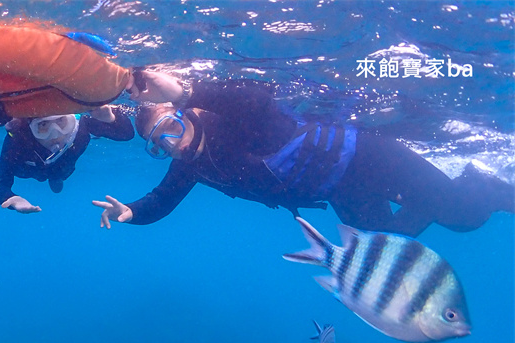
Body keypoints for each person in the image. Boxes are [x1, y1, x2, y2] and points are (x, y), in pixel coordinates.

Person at [93, 78, 514, 237]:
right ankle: (450, 194)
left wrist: (185, 92)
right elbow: (161, 200)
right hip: (339, 189)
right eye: (155, 144)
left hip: (370, 158)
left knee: (463, 217)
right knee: (390, 234)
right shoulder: (191, 167)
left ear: (187, 115)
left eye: (170, 129)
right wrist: (131, 211)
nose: (169, 145)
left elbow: (257, 101)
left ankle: (491, 187)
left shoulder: (231, 121)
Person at [0, 106, 135, 213]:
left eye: (62, 121)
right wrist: (13, 200)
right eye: (43, 125)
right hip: (31, 171)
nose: (55, 133)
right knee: (52, 178)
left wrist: (110, 117)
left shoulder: (82, 126)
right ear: (30, 128)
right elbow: (1, 186)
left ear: (73, 119)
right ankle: (55, 179)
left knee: (58, 179)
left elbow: (126, 133)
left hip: (63, 170)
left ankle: (56, 180)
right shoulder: (18, 139)